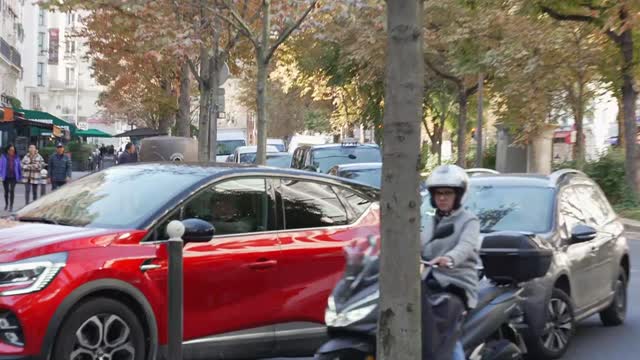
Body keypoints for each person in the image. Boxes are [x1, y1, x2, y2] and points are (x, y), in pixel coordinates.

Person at [421, 164, 481, 360]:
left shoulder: (468, 220)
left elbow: (466, 246)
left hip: (457, 284)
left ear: (458, 195)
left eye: (447, 193)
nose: (442, 198)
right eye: (438, 193)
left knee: (446, 335)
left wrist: (449, 258)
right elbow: (420, 245)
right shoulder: (431, 220)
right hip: (431, 282)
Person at [0, 144, 22, 211]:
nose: (11, 151)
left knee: (12, 190)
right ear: (7, 150)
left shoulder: (16, 157)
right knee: (6, 191)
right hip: (6, 176)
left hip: (13, 176)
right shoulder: (3, 157)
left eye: (13, 150)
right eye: (10, 150)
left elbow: (19, 167)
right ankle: (6, 204)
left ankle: (11, 206)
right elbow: (0, 166)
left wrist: (20, 176)